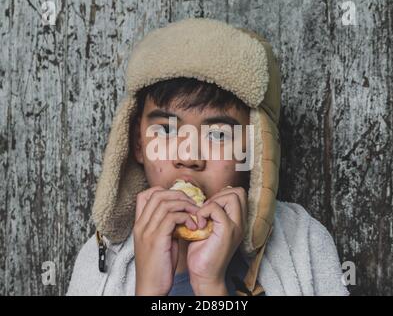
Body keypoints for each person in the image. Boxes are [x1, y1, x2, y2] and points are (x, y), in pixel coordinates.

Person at [66, 18, 349, 296]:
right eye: (166, 130)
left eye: (218, 135)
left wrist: (210, 287)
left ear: (254, 149)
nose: (189, 157)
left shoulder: (302, 244)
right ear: (138, 144)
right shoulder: (100, 262)